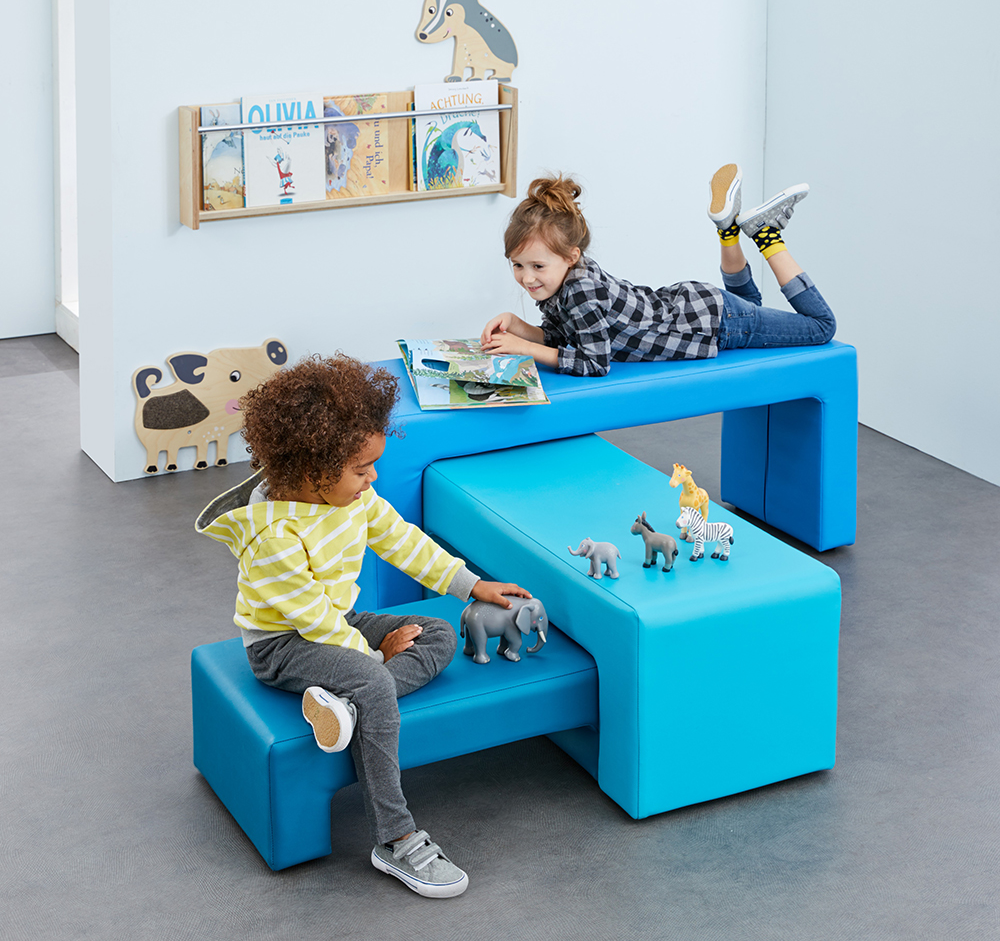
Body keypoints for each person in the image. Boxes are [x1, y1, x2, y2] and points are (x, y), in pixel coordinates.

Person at [196, 354, 530, 899]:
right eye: (361, 468)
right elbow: (314, 621)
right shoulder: (274, 536)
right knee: (373, 680)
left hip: (339, 621)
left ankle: (349, 711)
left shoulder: (352, 496)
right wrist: (375, 659)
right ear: (312, 471)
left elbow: (402, 541)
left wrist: (471, 586)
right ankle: (395, 838)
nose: (372, 477)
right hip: (283, 644)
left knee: (439, 633)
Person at [480, 166, 836, 377]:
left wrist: (524, 348)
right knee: (750, 304)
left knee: (821, 327)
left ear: (571, 256)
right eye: (518, 265)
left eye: (537, 266)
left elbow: (594, 362)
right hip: (699, 307)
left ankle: (766, 236)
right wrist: (519, 326)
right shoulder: (566, 280)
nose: (527, 278)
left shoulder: (581, 290)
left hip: (712, 323)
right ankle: (728, 231)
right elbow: (567, 338)